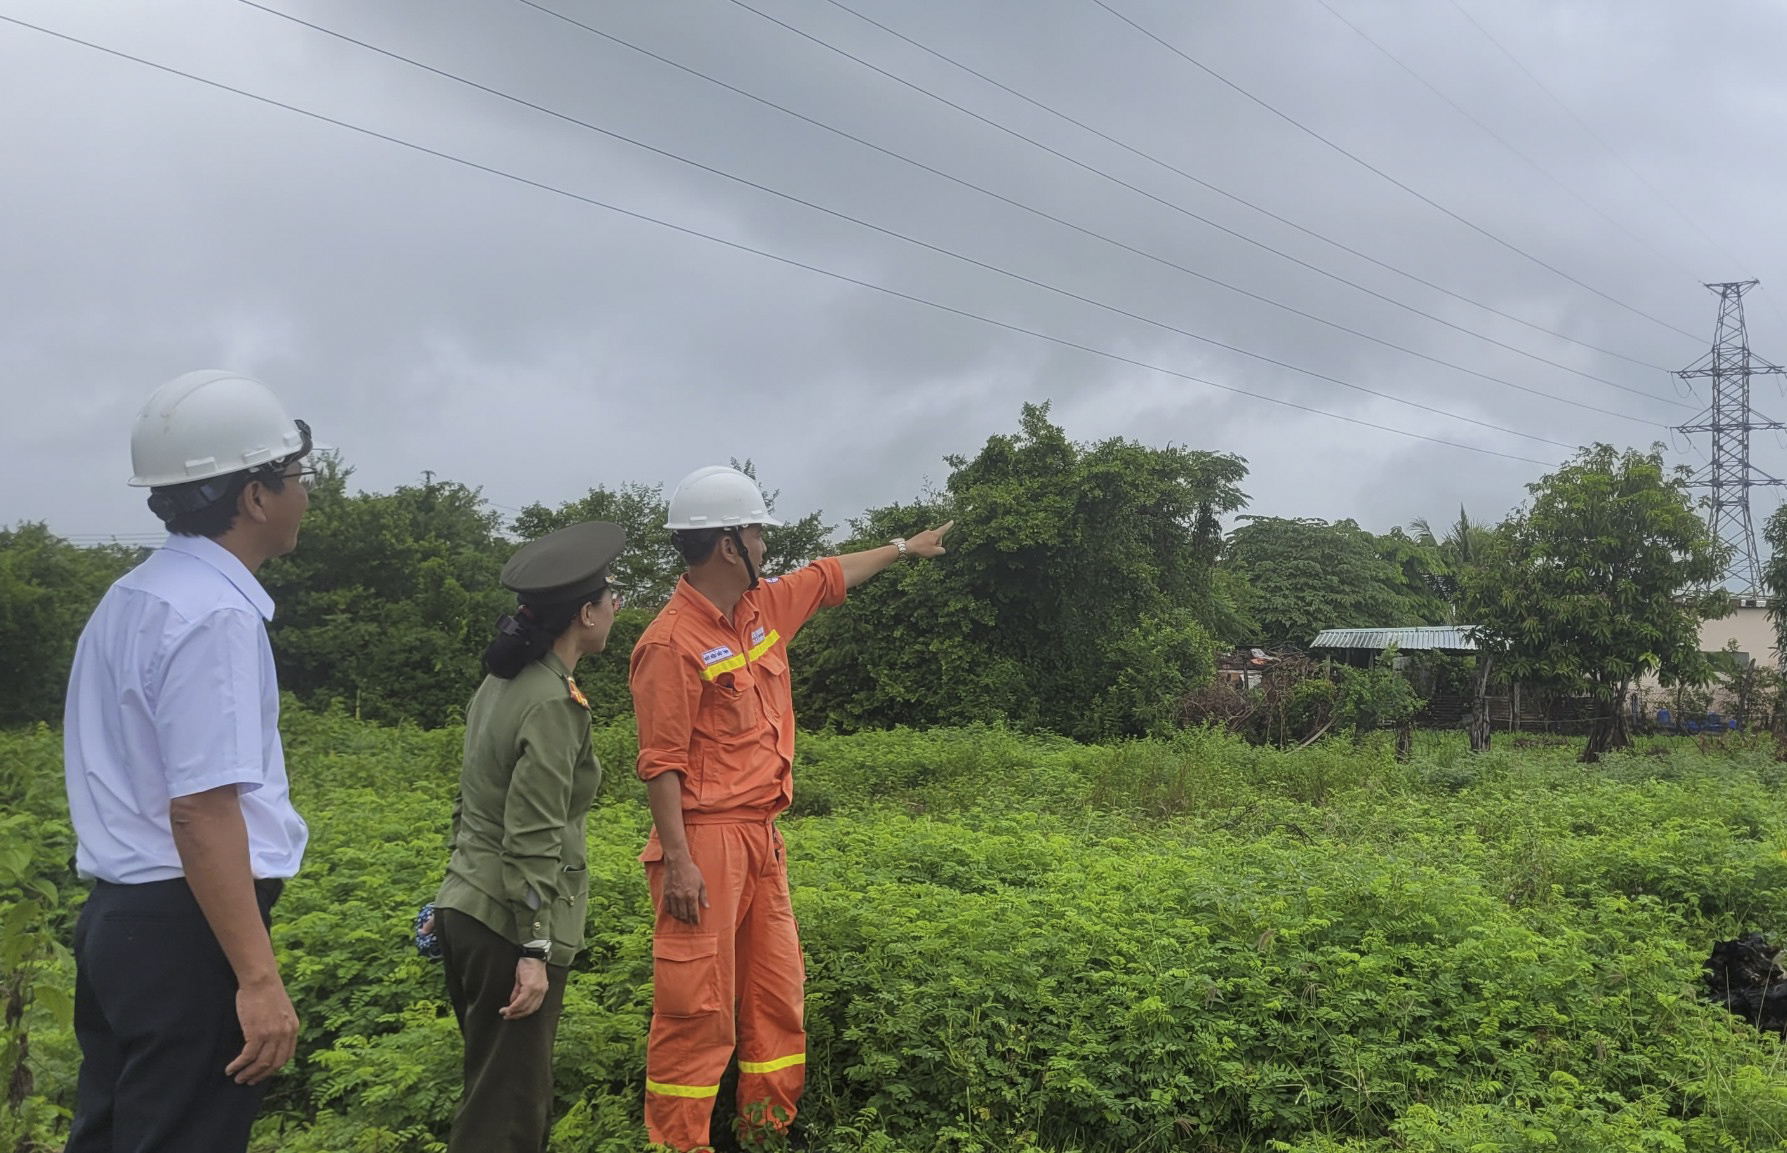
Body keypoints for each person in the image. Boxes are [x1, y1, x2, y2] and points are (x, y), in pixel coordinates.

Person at [630, 465, 951, 1150]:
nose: (764, 544)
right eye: (755, 530)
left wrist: (901, 546)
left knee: (776, 987)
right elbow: (661, 763)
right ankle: (678, 1141)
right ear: (727, 544)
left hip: (761, 837)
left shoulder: (762, 609)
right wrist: (680, 861)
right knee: (697, 1006)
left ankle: (768, 1128)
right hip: (704, 842)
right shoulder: (669, 641)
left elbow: (828, 575)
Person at [64, 369, 318, 1152]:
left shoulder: (134, 595)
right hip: (185, 928)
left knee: (115, 1133)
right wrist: (257, 977)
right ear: (254, 496)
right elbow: (202, 808)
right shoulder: (214, 616)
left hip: (121, 919)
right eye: (296, 473)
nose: (306, 491)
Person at [431, 520, 628, 1153]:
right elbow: (533, 834)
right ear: (584, 614)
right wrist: (535, 950)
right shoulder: (550, 703)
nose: (617, 604)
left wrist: (451, 890)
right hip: (507, 927)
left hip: (470, 907)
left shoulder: (501, 684)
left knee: (494, 1092)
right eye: (610, 595)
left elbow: (470, 805)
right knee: (506, 1117)